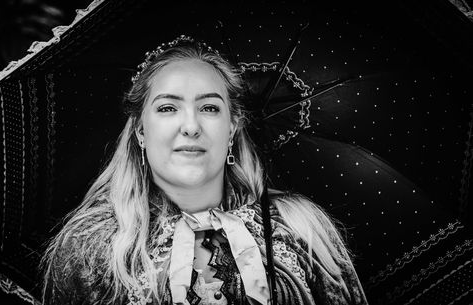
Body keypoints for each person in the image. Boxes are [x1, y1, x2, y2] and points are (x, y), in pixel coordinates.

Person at [41, 35, 368, 305]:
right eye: (168, 108)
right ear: (141, 130)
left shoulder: (300, 226)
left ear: (232, 127)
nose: (191, 126)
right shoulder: (92, 245)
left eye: (209, 108)